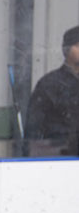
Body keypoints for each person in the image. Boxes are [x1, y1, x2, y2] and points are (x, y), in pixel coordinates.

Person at [25, 25, 79, 156]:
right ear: (66, 50)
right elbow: (34, 131)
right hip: (59, 161)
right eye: (78, 45)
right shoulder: (49, 84)